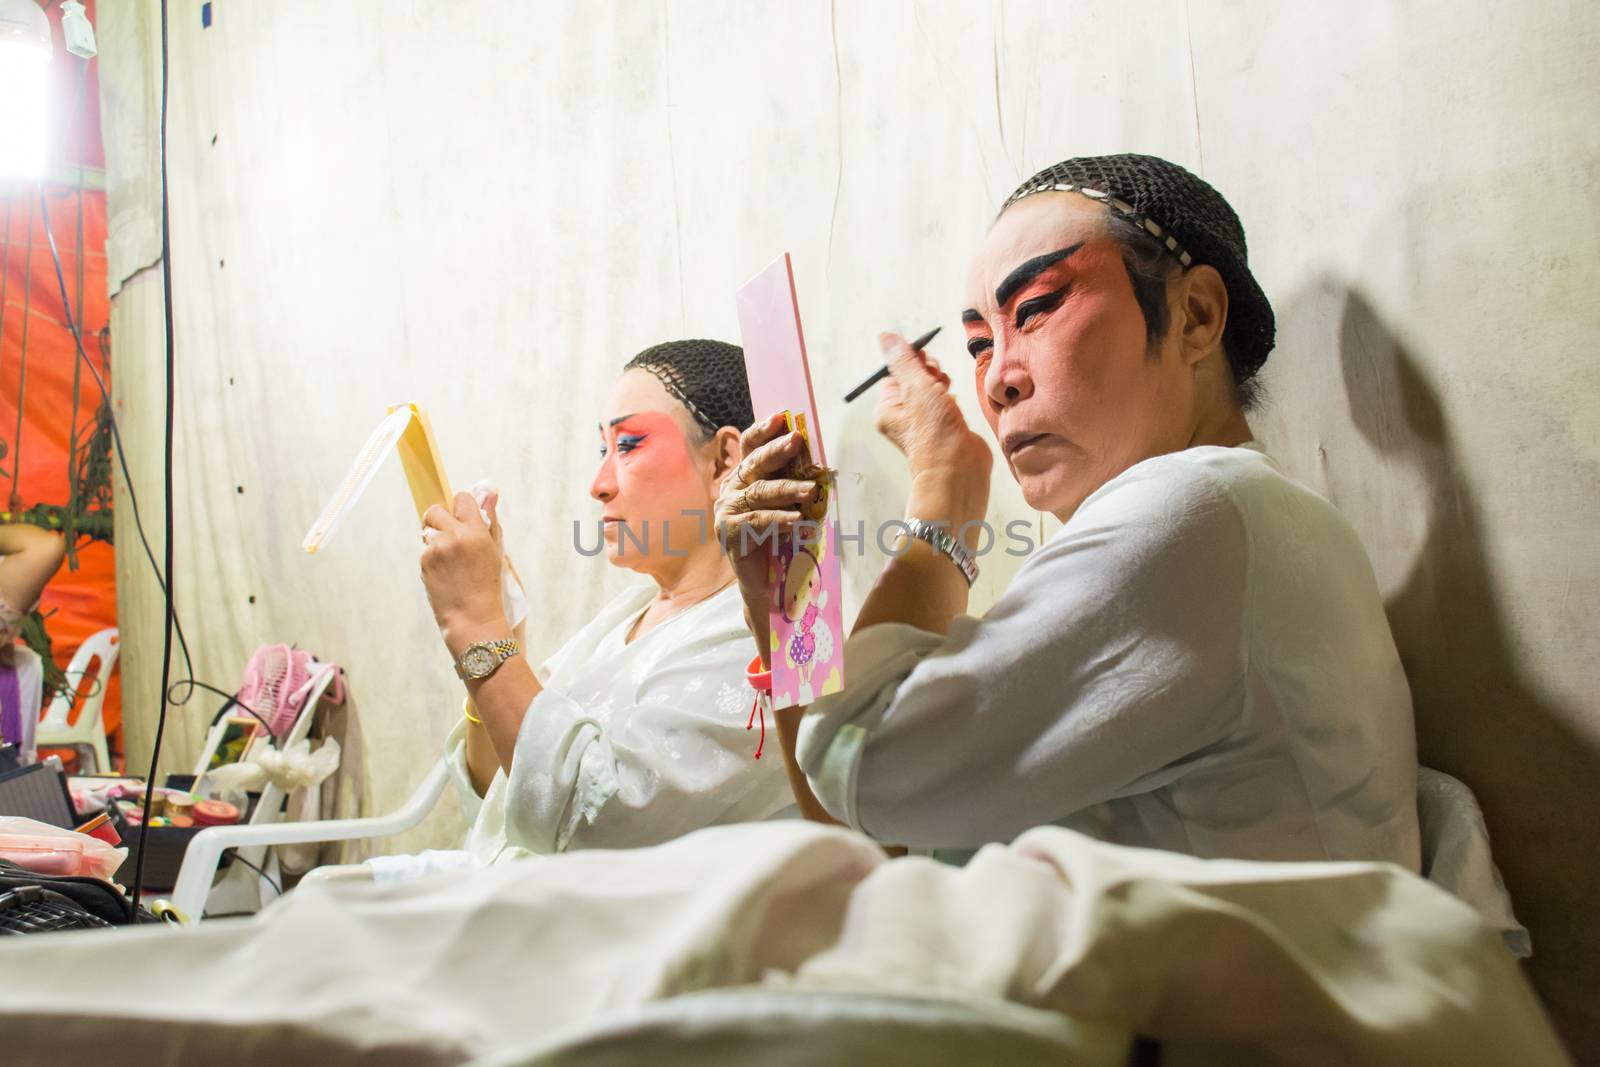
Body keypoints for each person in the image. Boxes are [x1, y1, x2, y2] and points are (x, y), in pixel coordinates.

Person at [718, 154, 1422, 868]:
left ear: (1196, 315)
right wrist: (775, 594)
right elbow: (874, 832)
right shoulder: (1241, 514)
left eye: (1037, 309)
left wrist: (945, 489)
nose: (997, 378)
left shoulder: (1193, 513)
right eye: (980, 344)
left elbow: (860, 769)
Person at [375, 340, 792, 876]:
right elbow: (496, 800)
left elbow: (592, 828)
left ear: (723, 460)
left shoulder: (756, 635)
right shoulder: (627, 615)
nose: (598, 485)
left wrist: (477, 628)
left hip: (604, 937)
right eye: (603, 450)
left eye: (630, 444)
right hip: (512, 897)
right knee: (321, 896)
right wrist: (505, 644)